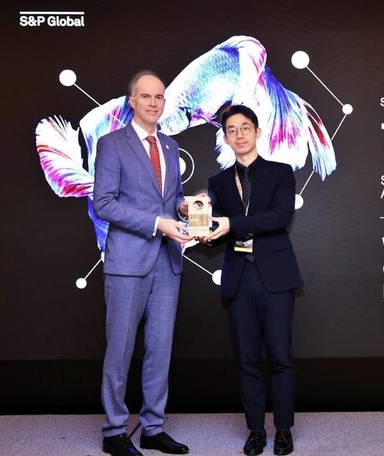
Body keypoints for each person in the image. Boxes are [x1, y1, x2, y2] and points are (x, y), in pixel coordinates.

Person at [93, 71, 193, 456]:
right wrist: (156, 223)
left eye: (159, 97)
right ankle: (114, 431)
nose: (154, 103)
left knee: (159, 349)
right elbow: (104, 204)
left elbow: (172, 198)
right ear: (132, 101)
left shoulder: (170, 145)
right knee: (120, 349)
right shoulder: (112, 144)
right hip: (127, 262)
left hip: (167, 262)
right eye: (146, 96)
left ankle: (153, 428)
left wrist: (186, 207)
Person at [202, 104, 303, 455]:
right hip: (239, 278)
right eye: (232, 130)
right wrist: (201, 225)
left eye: (245, 127)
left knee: (280, 356)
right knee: (246, 359)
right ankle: (256, 430)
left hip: (276, 276)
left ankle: (284, 429)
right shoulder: (216, 183)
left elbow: (279, 217)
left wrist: (231, 224)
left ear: (257, 132)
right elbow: (214, 228)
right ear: (226, 138)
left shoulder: (280, 172)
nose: (239, 134)